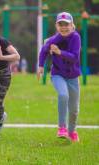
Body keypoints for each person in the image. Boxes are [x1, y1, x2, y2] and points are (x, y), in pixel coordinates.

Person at [37, 12, 81, 142]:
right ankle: (62, 127)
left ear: (72, 25)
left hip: (73, 77)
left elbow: (74, 58)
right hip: (57, 74)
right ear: (57, 26)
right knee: (63, 95)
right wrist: (40, 66)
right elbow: (43, 51)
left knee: (74, 110)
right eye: (60, 24)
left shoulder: (76, 38)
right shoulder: (53, 40)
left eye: (66, 24)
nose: (63, 27)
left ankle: (72, 132)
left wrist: (59, 52)